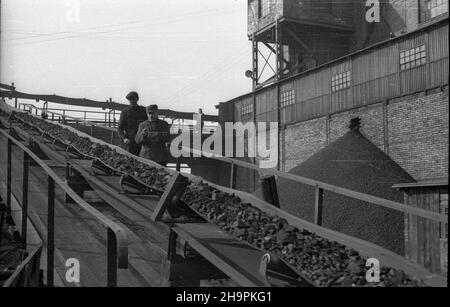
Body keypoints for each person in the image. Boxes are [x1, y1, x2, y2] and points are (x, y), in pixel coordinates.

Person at [117, 91, 148, 156]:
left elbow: (148, 125)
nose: (132, 101)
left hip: (141, 141)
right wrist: (124, 138)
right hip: (130, 142)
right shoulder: (125, 112)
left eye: (133, 99)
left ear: (137, 99)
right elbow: (120, 128)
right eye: (130, 100)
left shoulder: (143, 111)